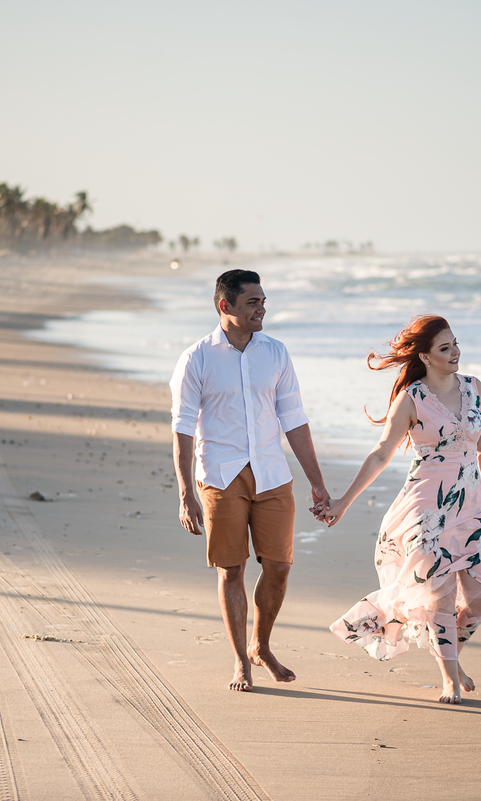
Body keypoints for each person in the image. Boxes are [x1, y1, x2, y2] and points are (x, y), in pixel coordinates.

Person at [320, 315, 481, 704]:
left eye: (455, 344)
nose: (455, 353)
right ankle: (449, 678)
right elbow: (381, 453)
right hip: (426, 509)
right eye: (445, 348)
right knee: (439, 594)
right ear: (426, 356)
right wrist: (343, 503)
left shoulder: (475, 388)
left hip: (471, 505)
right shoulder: (412, 399)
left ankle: (450, 653)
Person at [170, 269, 330, 692]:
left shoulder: (275, 353)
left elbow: (294, 420)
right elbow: (183, 428)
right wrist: (186, 494)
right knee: (231, 569)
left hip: (271, 473)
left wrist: (316, 481)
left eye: (263, 301)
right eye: (252, 303)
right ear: (226, 306)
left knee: (278, 567)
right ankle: (241, 660)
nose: (262, 309)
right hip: (220, 476)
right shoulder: (196, 358)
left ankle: (261, 645)